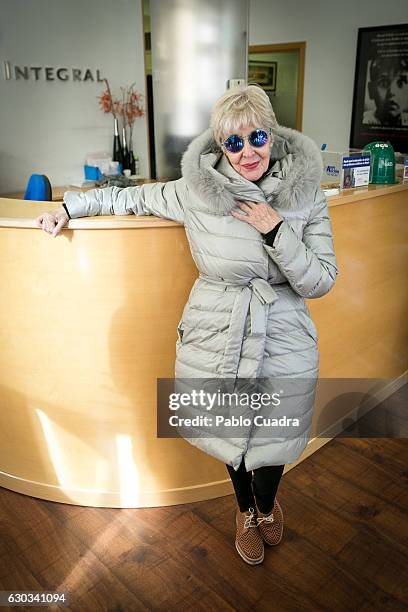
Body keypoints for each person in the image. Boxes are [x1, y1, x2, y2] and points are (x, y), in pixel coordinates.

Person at [36, 85, 338, 566]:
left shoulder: (305, 193)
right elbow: (130, 197)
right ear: (220, 146)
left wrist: (276, 229)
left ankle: (265, 501)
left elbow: (322, 279)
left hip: (283, 329)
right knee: (230, 435)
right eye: (233, 143)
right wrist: (70, 208)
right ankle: (244, 512)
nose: (247, 153)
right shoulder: (196, 191)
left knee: (276, 434)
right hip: (217, 326)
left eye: (256, 137)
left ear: (272, 134)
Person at [363, 57, 408, 126]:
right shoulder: (364, 120)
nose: (392, 92)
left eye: (400, 83)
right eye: (384, 83)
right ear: (371, 90)